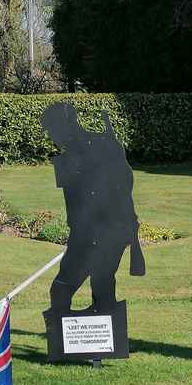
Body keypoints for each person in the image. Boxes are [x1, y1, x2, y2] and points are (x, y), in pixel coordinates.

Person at [41, 102, 145, 318]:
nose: (51, 136)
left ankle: (84, 344)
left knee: (71, 288)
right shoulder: (86, 149)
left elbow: (123, 184)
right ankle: (81, 345)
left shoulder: (101, 145)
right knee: (96, 287)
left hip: (104, 231)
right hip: (94, 231)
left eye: (52, 129)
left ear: (66, 125)